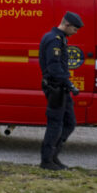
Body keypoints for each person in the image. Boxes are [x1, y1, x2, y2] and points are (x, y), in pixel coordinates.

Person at [38, 11, 83, 171]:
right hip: (55, 87)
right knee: (55, 124)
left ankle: (54, 156)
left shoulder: (60, 39)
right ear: (67, 24)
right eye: (75, 29)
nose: (75, 32)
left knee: (70, 122)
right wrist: (69, 84)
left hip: (62, 87)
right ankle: (46, 160)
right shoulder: (53, 40)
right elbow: (54, 67)